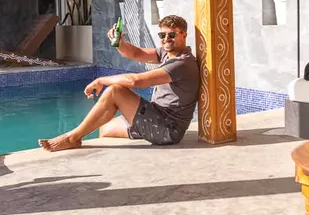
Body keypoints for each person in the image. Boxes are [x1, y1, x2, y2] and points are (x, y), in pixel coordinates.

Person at [39, 14, 199, 151]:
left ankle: (72, 138)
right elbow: (136, 53)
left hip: (168, 129)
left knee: (115, 91)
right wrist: (120, 43)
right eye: (162, 35)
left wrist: (101, 79)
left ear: (183, 35)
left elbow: (136, 81)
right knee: (104, 126)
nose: (166, 39)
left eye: (171, 35)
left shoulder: (182, 63)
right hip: (156, 116)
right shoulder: (166, 53)